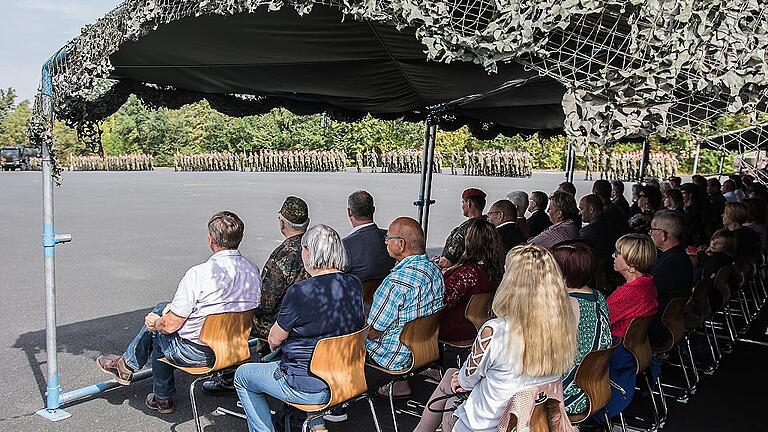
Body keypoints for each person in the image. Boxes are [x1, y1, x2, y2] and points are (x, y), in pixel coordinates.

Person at [97, 211, 261, 413]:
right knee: (163, 310)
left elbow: (170, 326)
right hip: (235, 349)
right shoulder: (252, 270)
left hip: (197, 353)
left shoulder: (199, 275)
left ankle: (159, 394)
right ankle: (126, 366)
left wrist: (154, 323)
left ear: (211, 239)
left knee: (159, 330)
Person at [412, 244, 577, 432]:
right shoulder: (562, 329)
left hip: (484, 424)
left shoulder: (495, 330)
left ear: (513, 283)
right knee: (453, 381)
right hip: (529, 422)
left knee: (451, 386)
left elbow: (467, 380)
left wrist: (462, 378)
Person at [234, 225, 365, 432]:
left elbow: (274, 339)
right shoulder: (354, 284)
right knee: (311, 350)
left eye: (304, 248)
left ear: (310, 252)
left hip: (309, 384)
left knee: (242, 375)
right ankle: (315, 423)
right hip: (345, 378)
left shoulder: (300, 292)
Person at [203, 197, 311, 395]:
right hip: (307, 320)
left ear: (282, 223)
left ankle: (229, 374)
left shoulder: (284, 255)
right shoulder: (314, 248)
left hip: (280, 324)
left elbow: (264, 302)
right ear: (307, 223)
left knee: (232, 315)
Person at [366, 217, 444, 398]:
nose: (385, 241)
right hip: (422, 350)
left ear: (400, 244)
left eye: (388, 238)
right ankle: (401, 384)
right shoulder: (435, 271)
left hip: (390, 357)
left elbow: (372, 332)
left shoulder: (396, 283)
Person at [551, 243, 612, 416]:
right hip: (595, 387)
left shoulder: (566, 306)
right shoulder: (598, 296)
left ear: (562, 271)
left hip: (567, 395)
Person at [439, 219, 504, 343]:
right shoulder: (495, 272)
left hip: (455, 331)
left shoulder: (467, 275)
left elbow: (440, 302)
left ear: (470, 243)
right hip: (477, 329)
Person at [649, 210, 693, 346]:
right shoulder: (680, 257)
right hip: (672, 322)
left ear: (663, 235)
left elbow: (646, 294)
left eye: (652, 230)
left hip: (656, 328)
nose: (650, 233)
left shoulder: (669, 263)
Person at [607, 234, 659, 338]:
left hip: (615, 347)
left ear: (631, 266)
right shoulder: (648, 283)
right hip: (633, 346)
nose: (613, 256)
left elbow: (600, 319)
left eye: (618, 253)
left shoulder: (630, 292)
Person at [342, 190, 395, 281]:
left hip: (356, 293)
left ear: (350, 212)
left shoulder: (345, 245)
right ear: (373, 210)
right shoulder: (391, 239)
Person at [439, 188, 486, 269]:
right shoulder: (490, 227)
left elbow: (446, 262)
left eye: (463, 202)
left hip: (461, 273)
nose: (462, 206)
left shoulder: (466, 229)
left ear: (469, 203)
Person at [578, 194, 617, 261]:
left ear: (591, 210)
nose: (579, 213)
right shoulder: (611, 223)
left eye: (581, 209)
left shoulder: (589, 230)